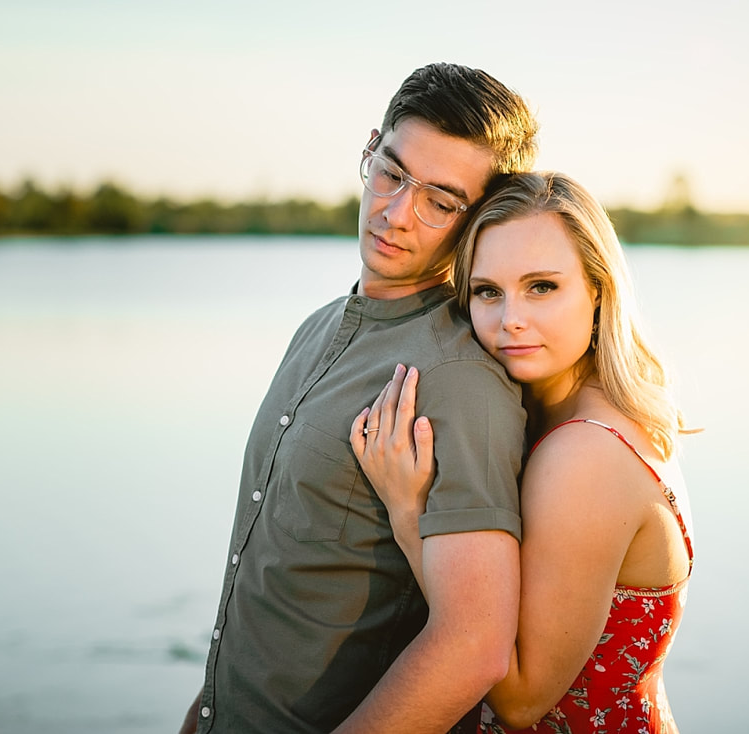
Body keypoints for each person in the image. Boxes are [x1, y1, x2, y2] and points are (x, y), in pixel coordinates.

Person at [180, 63, 540, 734]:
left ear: (479, 219)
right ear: (369, 149)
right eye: (393, 173)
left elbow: (475, 646)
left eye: (440, 200)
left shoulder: (460, 379)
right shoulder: (315, 327)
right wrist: (207, 709)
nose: (396, 212)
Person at [351, 171, 695, 733]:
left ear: (599, 291)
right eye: (488, 291)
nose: (510, 318)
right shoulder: (601, 413)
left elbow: (519, 700)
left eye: (541, 287)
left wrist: (410, 512)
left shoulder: (586, 454)